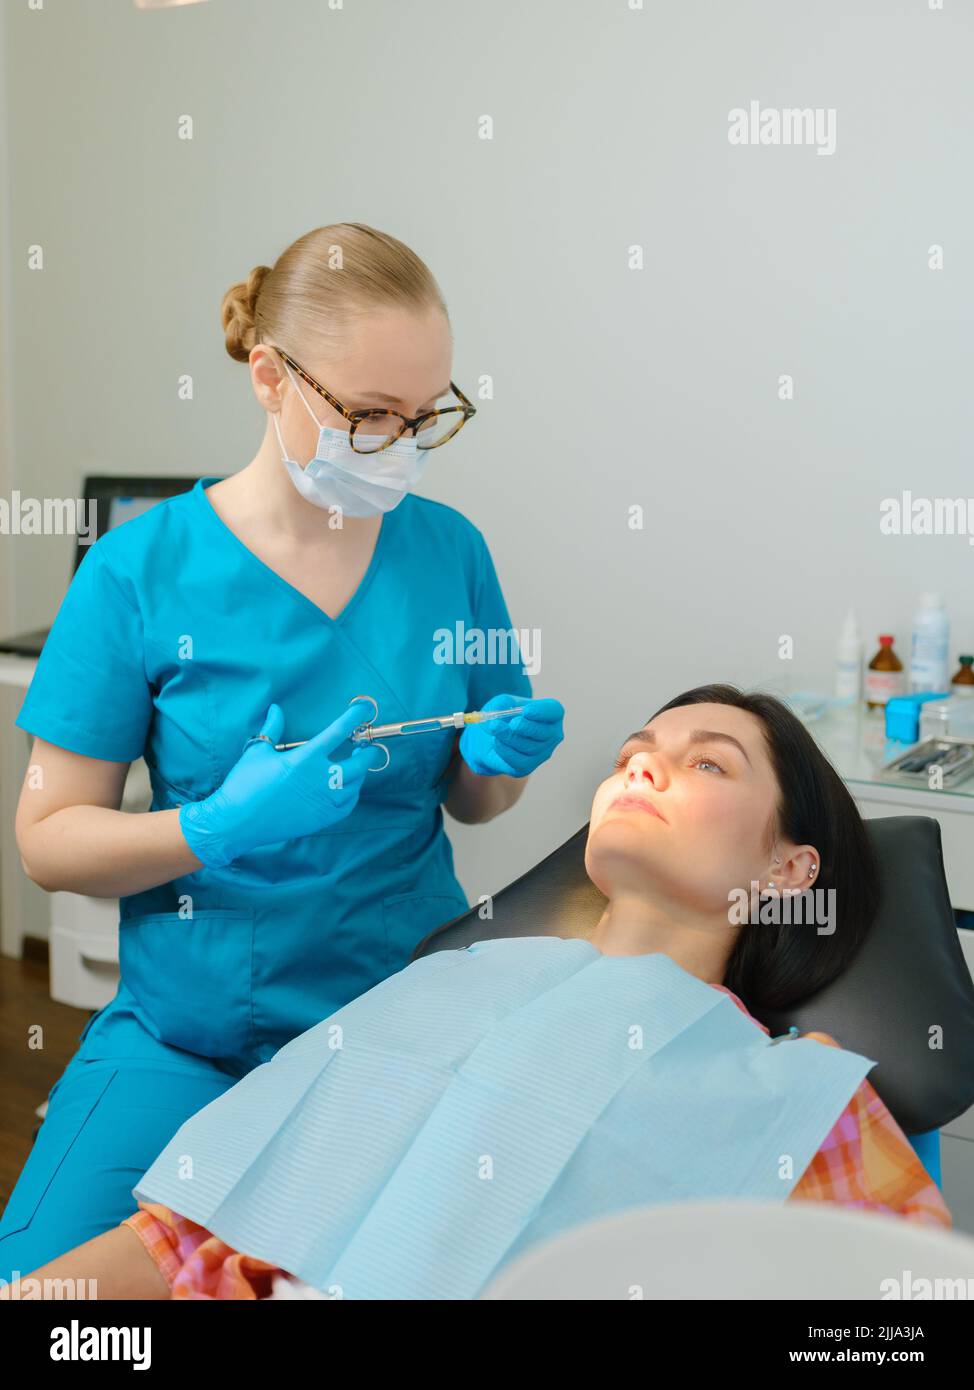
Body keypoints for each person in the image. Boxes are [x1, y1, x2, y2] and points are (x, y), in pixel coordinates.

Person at [0, 223, 564, 1278]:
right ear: (270, 376)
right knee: (53, 1296)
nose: (399, 442)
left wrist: (499, 757)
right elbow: (46, 841)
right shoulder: (135, 573)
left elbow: (475, 802)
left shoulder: (450, 551)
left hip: (402, 1028)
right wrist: (210, 827)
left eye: (426, 414)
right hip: (190, 1034)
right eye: (367, 414)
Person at [3, 685, 947, 1301]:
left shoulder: (795, 1100)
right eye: (633, 751)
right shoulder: (437, 992)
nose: (640, 765)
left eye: (708, 763)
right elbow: (179, 1244)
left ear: (789, 869)